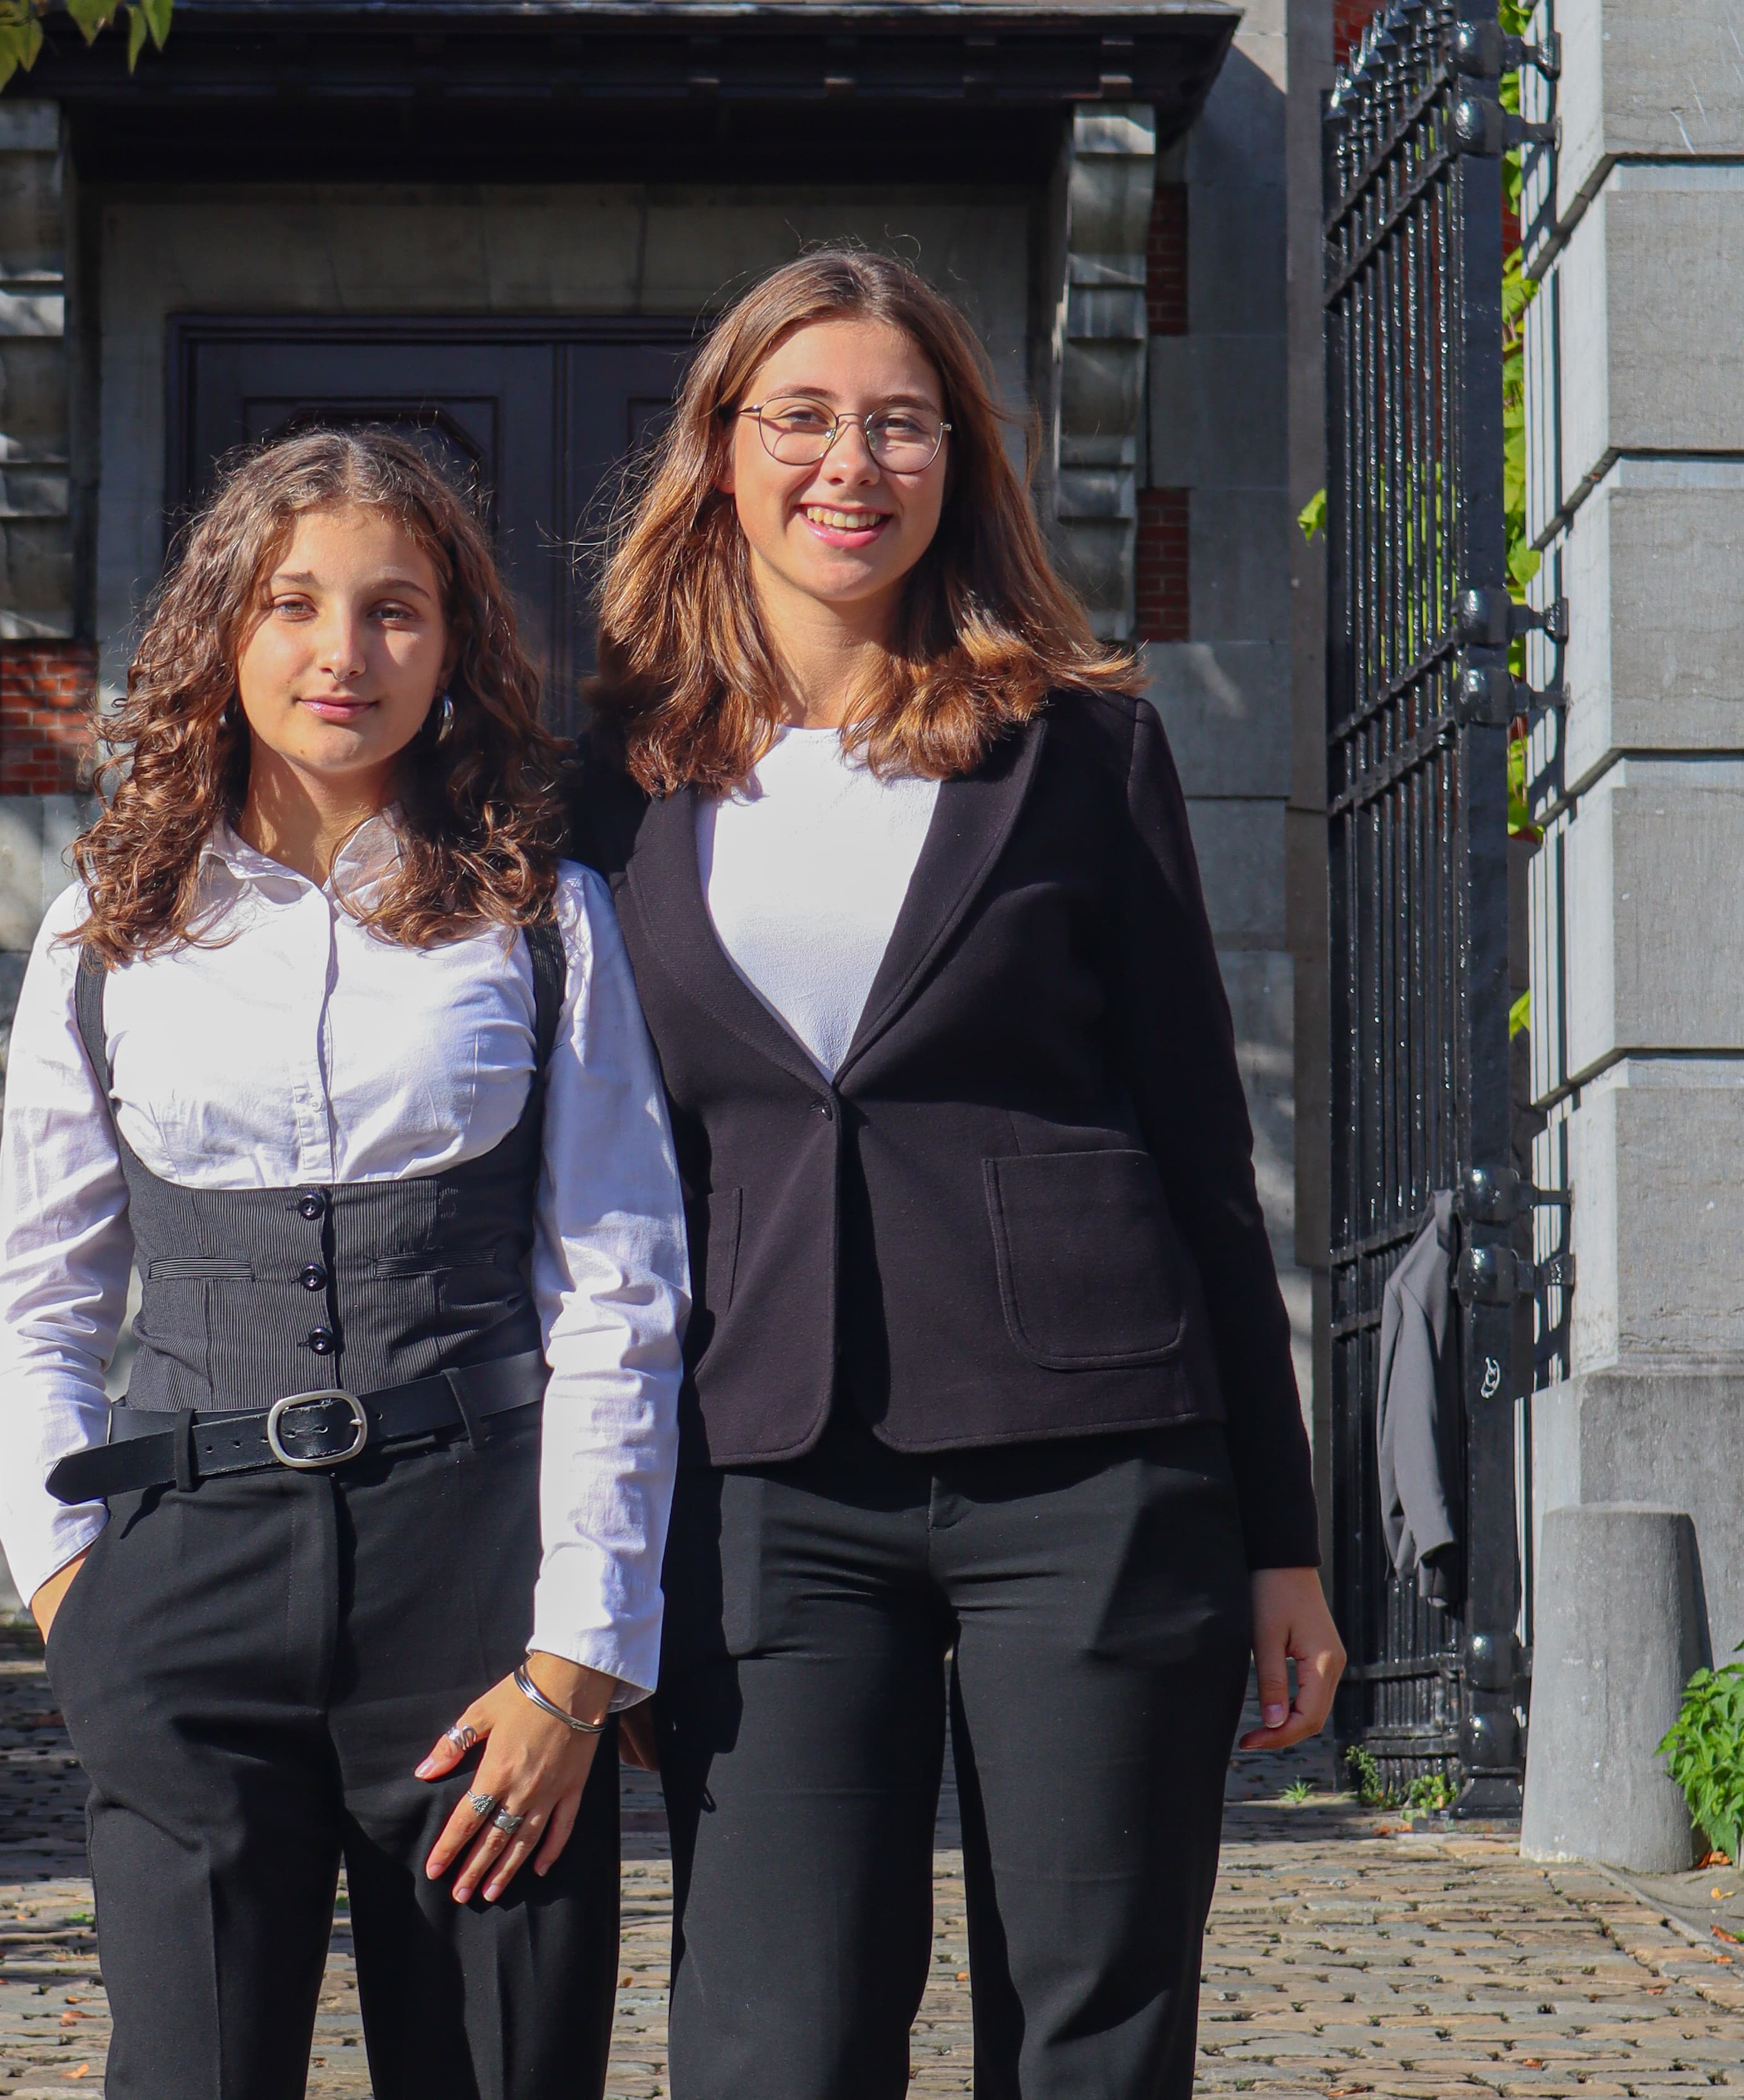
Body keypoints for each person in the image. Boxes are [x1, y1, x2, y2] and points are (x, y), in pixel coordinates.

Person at [574, 249, 1344, 2100]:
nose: (854, 460)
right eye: (806, 417)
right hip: (763, 1482)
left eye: (900, 420)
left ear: (958, 462)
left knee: (1091, 2022)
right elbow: (586, 1176)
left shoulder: (1082, 746)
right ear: (722, 455)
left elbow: (1197, 1146)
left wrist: (1279, 1534)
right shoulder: (602, 778)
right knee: (771, 2033)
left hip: (1093, 1458)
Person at [0, 429, 686, 2100]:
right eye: (293, 603)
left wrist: (578, 1655)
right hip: (183, 1594)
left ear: (452, 647)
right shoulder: (106, 925)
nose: (340, 652)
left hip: (474, 1597)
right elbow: (38, 1301)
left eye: (394, 610)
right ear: (226, 628)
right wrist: (79, 1607)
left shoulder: (544, 912)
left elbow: (619, 1293)